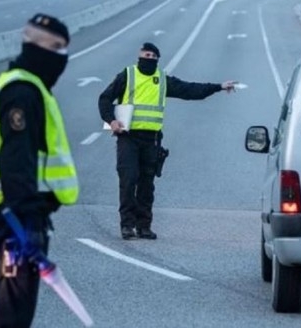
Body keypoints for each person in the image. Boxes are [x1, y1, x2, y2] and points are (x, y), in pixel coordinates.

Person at [0, 13, 80, 328]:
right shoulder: (22, 91)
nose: (62, 59)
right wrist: (22, 227)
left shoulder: (30, 86)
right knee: (12, 313)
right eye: (59, 49)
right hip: (15, 219)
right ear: (40, 47)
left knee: (17, 311)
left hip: (22, 215)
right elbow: (15, 159)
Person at [98, 42, 236, 240]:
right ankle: (127, 225)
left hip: (151, 140)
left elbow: (190, 90)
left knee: (147, 184)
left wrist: (219, 87)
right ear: (139, 57)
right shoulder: (127, 76)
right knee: (129, 180)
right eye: (146, 55)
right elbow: (104, 99)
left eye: (153, 57)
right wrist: (111, 121)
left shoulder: (161, 80)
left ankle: (143, 226)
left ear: (157, 60)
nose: (149, 59)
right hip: (128, 138)